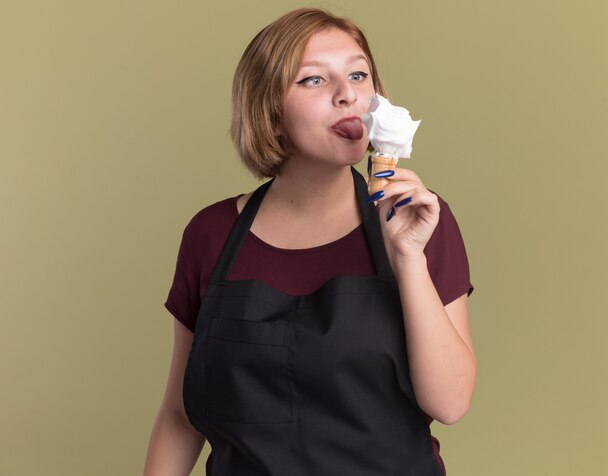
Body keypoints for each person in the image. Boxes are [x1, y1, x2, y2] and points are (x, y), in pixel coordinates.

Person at [143, 8, 476, 476]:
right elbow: (180, 417)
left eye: (359, 75)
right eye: (313, 81)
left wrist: (408, 257)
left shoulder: (418, 220)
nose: (348, 96)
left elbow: (451, 402)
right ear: (270, 113)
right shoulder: (211, 234)